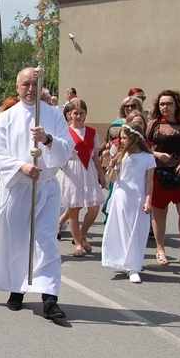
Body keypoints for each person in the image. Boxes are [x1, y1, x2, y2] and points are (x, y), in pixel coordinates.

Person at [0, 67, 73, 320]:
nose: (30, 89)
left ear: (41, 87)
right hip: (19, 187)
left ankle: (50, 298)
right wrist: (21, 166)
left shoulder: (53, 115)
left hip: (47, 186)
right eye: (25, 84)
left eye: (34, 84)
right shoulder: (8, 117)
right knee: (18, 241)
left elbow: (67, 147)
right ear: (17, 87)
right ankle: (16, 290)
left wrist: (48, 139)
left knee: (46, 241)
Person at [147, 90, 180, 267]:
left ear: (176, 105)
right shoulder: (153, 124)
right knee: (159, 213)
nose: (165, 107)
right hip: (158, 174)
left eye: (169, 103)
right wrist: (157, 154)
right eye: (162, 104)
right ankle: (160, 250)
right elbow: (144, 147)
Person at [101, 120, 156, 283]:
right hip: (122, 198)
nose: (121, 141)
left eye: (124, 138)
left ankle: (134, 264)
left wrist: (148, 200)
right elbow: (113, 179)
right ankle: (126, 264)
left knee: (136, 232)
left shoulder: (148, 157)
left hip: (138, 198)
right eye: (121, 138)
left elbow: (149, 182)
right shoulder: (121, 156)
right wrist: (114, 167)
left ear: (135, 138)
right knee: (123, 230)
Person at [57, 99, 107, 257]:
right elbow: (58, 153)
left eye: (81, 113)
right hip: (71, 171)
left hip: (88, 171)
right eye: (75, 113)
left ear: (86, 114)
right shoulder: (64, 131)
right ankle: (77, 243)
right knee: (73, 210)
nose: (78, 116)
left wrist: (102, 175)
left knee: (93, 208)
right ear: (69, 115)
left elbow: (95, 156)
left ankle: (83, 234)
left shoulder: (91, 132)